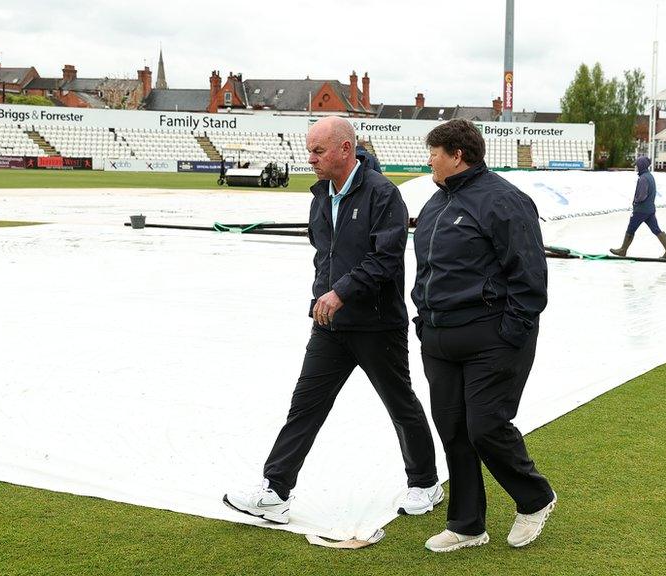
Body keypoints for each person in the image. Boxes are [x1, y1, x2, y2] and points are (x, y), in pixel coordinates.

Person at [223, 116, 441, 525]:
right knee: (305, 406)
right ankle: (275, 490)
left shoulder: (384, 195)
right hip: (329, 326)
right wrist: (319, 299)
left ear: (345, 149)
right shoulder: (320, 194)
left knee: (401, 405)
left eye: (318, 151)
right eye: (309, 150)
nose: (311, 159)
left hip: (377, 324)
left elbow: (386, 259)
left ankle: (425, 482)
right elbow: (323, 256)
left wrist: (341, 292)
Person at [411, 118, 555, 553]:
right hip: (438, 338)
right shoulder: (436, 204)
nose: (429, 160)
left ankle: (535, 498)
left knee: (486, 426)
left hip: (491, 337)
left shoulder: (504, 200)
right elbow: (427, 270)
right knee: (452, 429)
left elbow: (529, 275)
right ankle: (467, 524)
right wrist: (423, 318)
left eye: (434, 153)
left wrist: (511, 332)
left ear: (458, 154)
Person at [610, 156, 666, 258]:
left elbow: (641, 196)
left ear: (641, 166)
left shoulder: (643, 178)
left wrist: (635, 201)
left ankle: (623, 250)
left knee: (631, 229)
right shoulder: (649, 176)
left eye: (637, 165)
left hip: (641, 210)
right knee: (656, 229)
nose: (636, 167)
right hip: (650, 209)